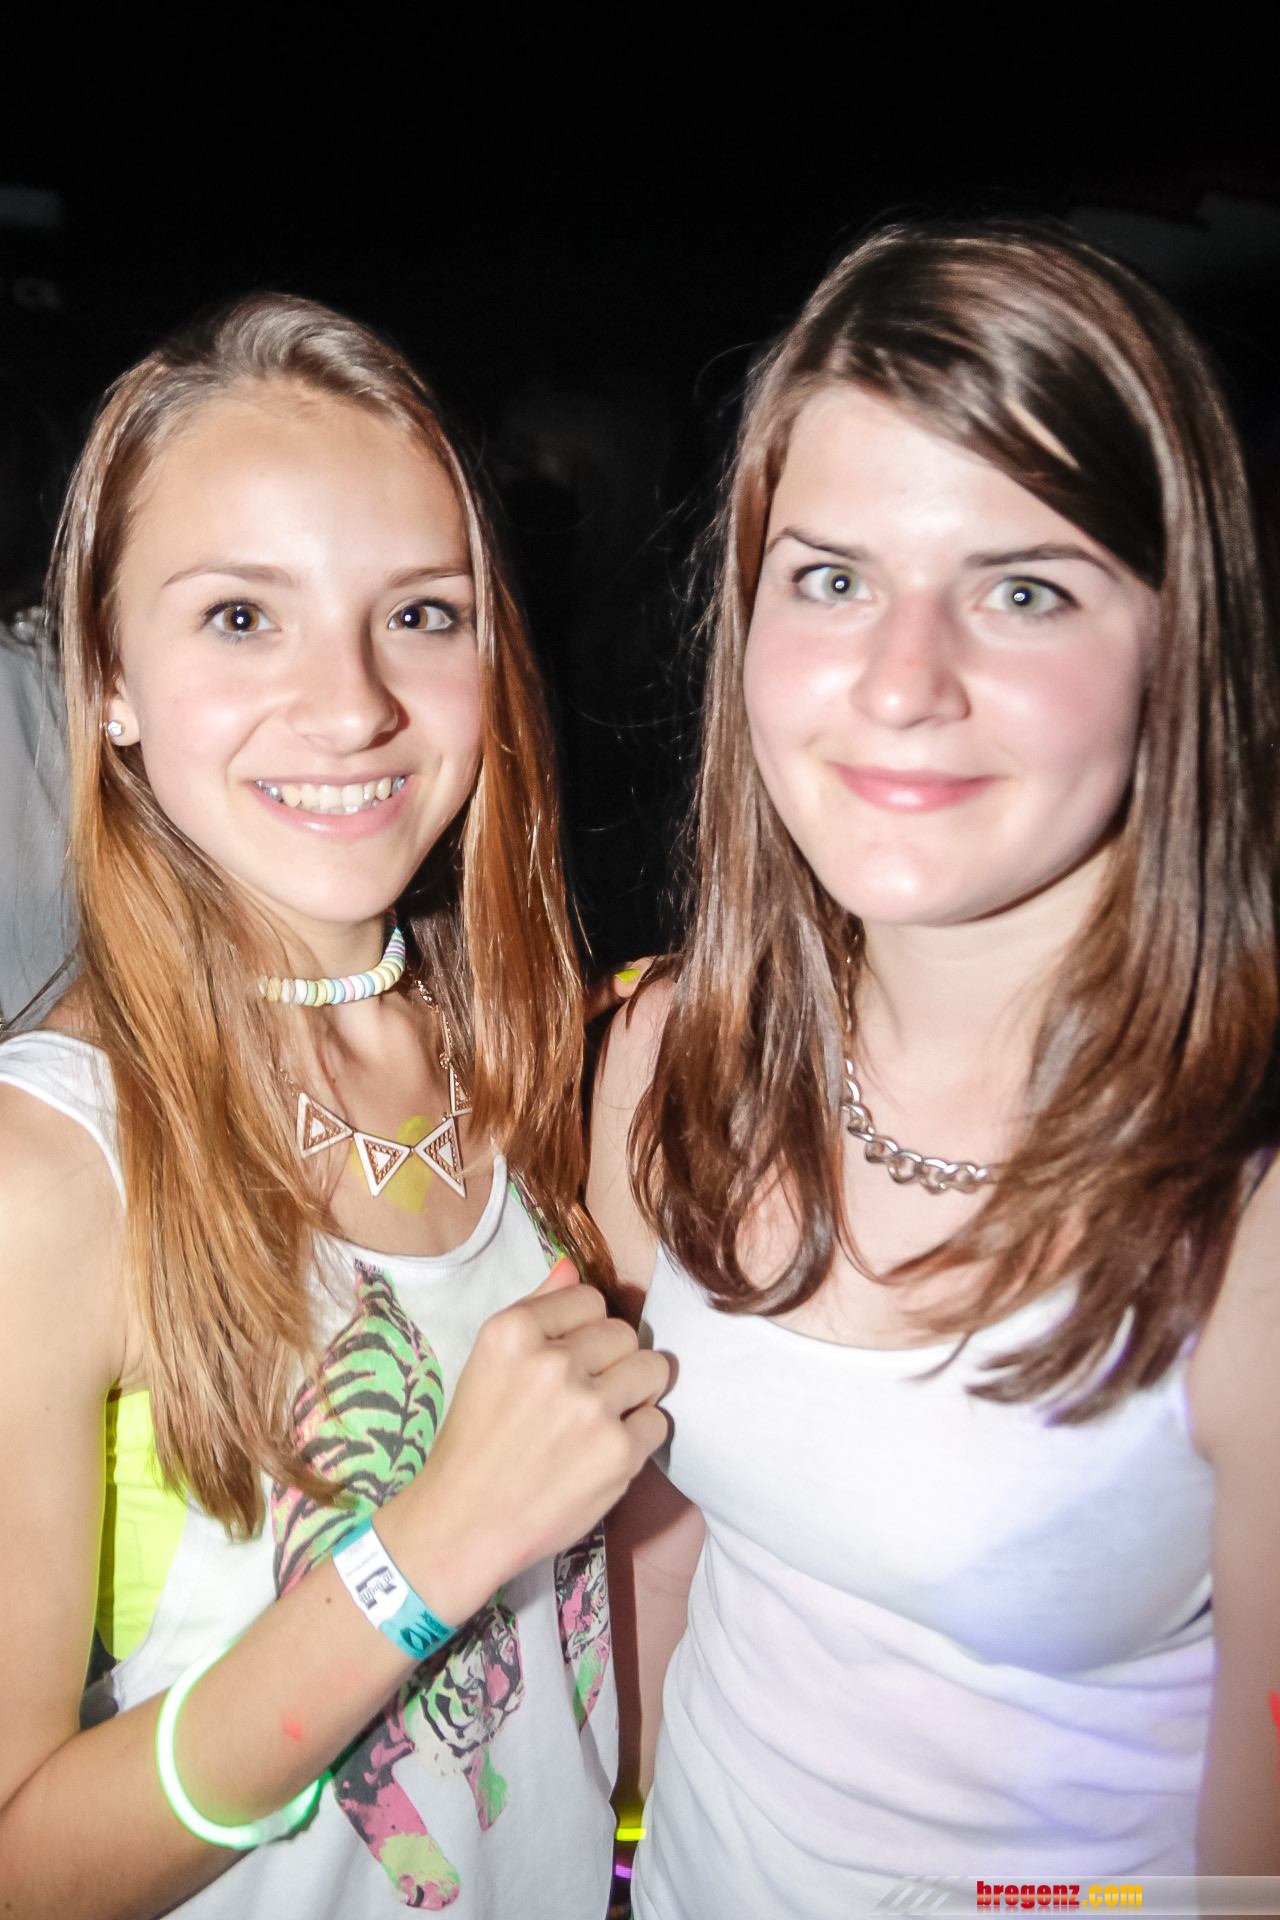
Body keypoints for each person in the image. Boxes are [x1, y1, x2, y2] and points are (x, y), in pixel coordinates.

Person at [589, 220, 1280, 1914]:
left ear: (1179, 647)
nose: (903, 685)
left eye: (1023, 589)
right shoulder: (675, 1058)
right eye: (833, 579)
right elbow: (657, 1560)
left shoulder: (1251, 1214)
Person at [0, 294, 670, 1919]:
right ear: (109, 677)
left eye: (421, 614)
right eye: (242, 617)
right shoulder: (52, 1169)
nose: (354, 702)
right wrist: (428, 1550)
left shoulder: (522, 1062)